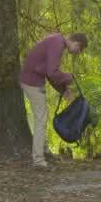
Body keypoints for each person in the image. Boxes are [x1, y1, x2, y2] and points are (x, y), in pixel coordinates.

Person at [20, 32, 88, 167]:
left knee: (42, 118)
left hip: (32, 80)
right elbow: (52, 73)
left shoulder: (56, 41)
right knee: (40, 120)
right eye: (78, 50)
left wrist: (64, 91)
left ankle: (43, 151)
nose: (76, 53)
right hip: (32, 81)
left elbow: (49, 73)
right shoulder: (57, 44)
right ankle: (38, 160)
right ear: (76, 43)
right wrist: (70, 77)